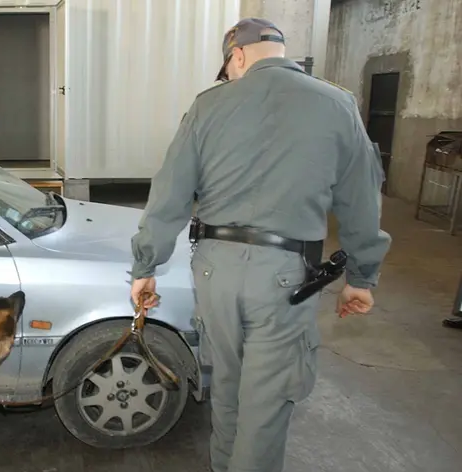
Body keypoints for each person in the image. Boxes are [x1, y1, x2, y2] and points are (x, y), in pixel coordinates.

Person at [128, 18, 392, 472]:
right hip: (286, 279)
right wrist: (361, 278)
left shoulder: (207, 106)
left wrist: (145, 266)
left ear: (239, 54)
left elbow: (169, 192)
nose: (229, 77)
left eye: (228, 68)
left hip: (214, 271)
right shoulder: (338, 104)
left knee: (227, 391)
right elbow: (362, 201)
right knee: (265, 407)